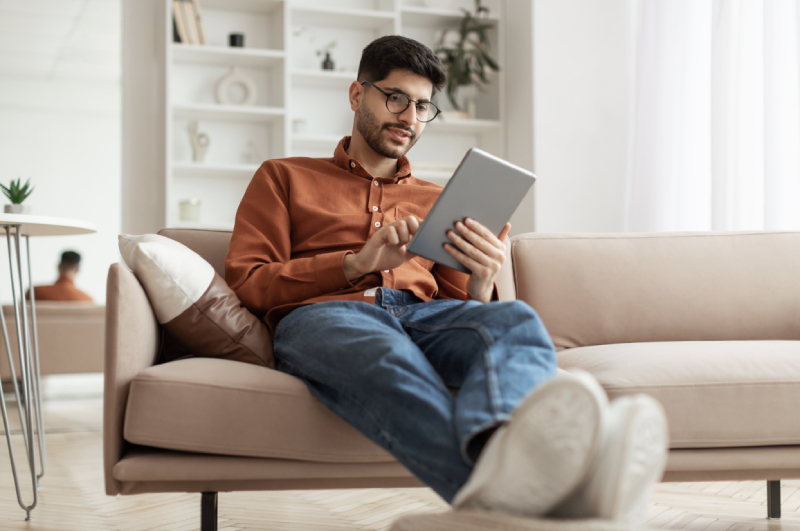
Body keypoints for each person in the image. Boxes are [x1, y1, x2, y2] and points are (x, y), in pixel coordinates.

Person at [225, 35, 668, 521]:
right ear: (357, 95)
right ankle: (551, 501)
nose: (409, 118)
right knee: (384, 354)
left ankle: (504, 472)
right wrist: (355, 263)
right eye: (395, 98)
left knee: (514, 320)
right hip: (328, 317)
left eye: (422, 106)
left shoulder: (440, 200)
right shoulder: (283, 177)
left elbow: (464, 307)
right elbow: (250, 280)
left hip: (422, 316)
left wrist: (482, 281)